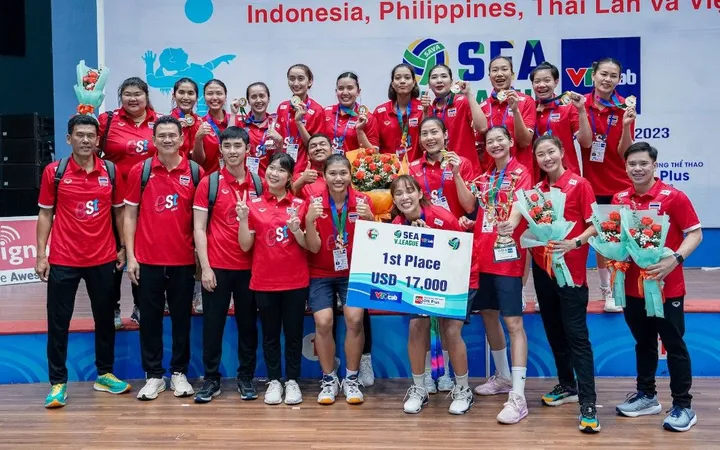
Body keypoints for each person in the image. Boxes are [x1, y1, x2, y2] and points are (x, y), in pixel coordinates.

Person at [500, 135, 600, 433]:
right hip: (544, 273)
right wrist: (508, 225)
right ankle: (567, 385)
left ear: (561, 153)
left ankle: (589, 405)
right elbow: (522, 218)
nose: (546, 158)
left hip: (571, 274)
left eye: (551, 152)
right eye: (540, 154)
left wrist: (576, 241)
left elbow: (595, 224)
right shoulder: (536, 192)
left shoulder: (579, 184)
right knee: (554, 331)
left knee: (576, 337)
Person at [36, 115, 131, 408]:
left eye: (91, 135)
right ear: (69, 138)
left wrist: (124, 247)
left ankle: (104, 374)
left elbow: (119, 213)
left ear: (98, 139)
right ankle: (57, 383)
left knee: (105, 319)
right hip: (63, 259)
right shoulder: (55, 172)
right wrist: (41, 254)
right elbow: (45, 215)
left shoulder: (111, 171)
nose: (86, 140)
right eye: (80, 135)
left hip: (103, 258)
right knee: (58, 321)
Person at [612, 142, 702, 432]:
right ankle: (647, 396)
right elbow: (616, 238)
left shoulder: (673, 197)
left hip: (667, 287)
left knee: (674, 346)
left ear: (654, 165)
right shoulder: (620, 198)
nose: (637, 169)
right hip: (632, 288)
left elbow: (695, 234)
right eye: (632, 164)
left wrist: (674, 260)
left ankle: (683, 406)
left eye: (643, 164)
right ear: (625, 167)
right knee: (644, 343)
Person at [124, 115, 204, 401]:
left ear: (182, 139)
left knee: (182, 318)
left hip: (183, 261)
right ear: (154, 139)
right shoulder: (141, 171)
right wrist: (131, 256)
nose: (168, 139)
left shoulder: (195, 171)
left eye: (173, 135)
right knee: (150, 320)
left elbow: (200, 221)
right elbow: (129, 215)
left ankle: (179, 372)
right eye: (162, 135)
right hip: (147, 260)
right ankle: (154, 375)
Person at [291, 133, 377, 386]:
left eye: (343, 173)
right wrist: (308, 220)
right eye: (333, 174)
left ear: (350, 175)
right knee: (323, 321)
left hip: (354, 272)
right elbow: (313, 247)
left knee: (355, 319)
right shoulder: (313, 203)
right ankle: (329, 378)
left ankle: (351, 378)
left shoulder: (363, 202)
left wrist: (370, 220)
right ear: (324, 176)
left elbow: (372, 245)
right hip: (321, 272)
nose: (338, 179)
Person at [389, 175, 474, 415]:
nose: (405, 197)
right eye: (399, 193)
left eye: (409, 191)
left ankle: (462, 389)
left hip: (459, 278)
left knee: (450, 330)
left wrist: (432, 240)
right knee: (416, 326)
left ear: (419, 193)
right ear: (394, 199)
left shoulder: (442, 216)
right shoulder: (397, 224)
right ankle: (419, 389)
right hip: (421, 284)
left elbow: (460, 252)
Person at [467, 126, 532, 424]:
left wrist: (511, 223)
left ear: (510, 142)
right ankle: (503, 376)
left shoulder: (522, 173)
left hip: (508, 258)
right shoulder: (485, 178)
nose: (494, 144)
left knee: (513, 322)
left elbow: (520, 205)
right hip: (483, 256)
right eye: (489, 141)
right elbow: (474, 209)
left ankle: (518, 397)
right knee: (488, 315)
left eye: (500, 140)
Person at [192, 127, 261, 403]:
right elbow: (198, 229)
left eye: (238, 146)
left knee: (248, 325)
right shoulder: (209, 184)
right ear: (220, 149)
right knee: (212, 325)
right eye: (227, 146)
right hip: (217, 268)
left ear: (247, 150)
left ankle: (246, 377)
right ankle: (211, 379)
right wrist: (205, 268)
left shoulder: (258, 183)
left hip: (250, 269)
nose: (233, 151)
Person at [408, 117, 476, 393]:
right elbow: (405, 205)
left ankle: (446, 372)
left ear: (446, 134)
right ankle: (424, 377)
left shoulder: (462, 164)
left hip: (455, 250)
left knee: (448, 321)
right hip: (422, 252)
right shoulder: (412, 167)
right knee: (420, 321)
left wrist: (457, 173)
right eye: (424, 133)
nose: (429, 137)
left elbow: (469, 205)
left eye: (434, 132)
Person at [236, 152, 310, 406]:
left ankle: (292, 381)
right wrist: (243, 219)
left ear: (290, 177)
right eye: (271, 168)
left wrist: (297, 230)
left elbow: (308, 244)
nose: (274, 173)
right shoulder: (254, 205)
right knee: (269, 334)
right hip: (264, 281)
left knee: (293, 333)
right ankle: (274, 380)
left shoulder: (301, 204)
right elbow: (246, 246)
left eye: (281, 170)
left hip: (295, 281)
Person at [98, 77, 160, 327]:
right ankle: (112, 308)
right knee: (115, 255)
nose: (133, 98)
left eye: (138, 94)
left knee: (143, 255)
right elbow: (88, 142)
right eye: (127, 94)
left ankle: (140, 305)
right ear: (120, 97)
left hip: (148, 200)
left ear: (147, 96)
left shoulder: (160, 121)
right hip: (113, 201)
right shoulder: (108, 120)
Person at [582, 58, 636, 313]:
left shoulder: (624, 107)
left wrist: (626, 126)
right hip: (592, 184)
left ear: (619, 79)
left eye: (613, 76)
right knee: (602, 241)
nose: (607, 79)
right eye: (603, 74)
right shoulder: (581, 105)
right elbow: (582, 143)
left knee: (620, 240)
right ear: (593, 75)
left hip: (620, 185)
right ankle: (606, 291)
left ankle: (621, 288)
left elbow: (624, 152)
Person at [529, 61, 592, 179]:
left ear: (556, 82)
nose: (541, 85)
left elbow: (586, 142)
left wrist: (581, 110)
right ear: (532, 84)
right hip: (537, 177)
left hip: (566, 175)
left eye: (547, 80)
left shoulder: (568, 108)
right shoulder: (529, 109)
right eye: (537, 82)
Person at [422, 63, 487, 174]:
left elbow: (482, 127)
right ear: (429, 84)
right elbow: (423, 143)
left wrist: (469, 94)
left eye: (444, 76)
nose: (439, 80)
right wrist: (424, 111)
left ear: (451, 82)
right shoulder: (429, 109)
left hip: (468, 170)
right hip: (441, 173)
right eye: (434, 77)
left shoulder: (462, 101)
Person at [479, 57, 536, 176]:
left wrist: (515, 110)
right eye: (495, 70)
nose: (499, 74)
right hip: (491, 175)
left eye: (504, 69)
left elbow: (525, 142)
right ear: (489, 76)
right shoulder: (482, 106)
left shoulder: (526, 101)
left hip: (521, 174)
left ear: (512, 74)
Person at [274, 64, 325, 172]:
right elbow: (278, 141)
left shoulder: (317, 110)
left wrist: (299, 123)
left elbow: (315, 147)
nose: (296, 83)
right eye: (292, 79)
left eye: (300, 79)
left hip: (305, 169)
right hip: (283, 168)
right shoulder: (282, 107)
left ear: (310, 81)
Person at [374, 63, 424, 161]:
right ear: (392, 84)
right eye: (397, 78)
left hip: (417, 170)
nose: (402, 81)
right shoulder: (380, 112)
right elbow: (374, 145)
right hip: (389, 170)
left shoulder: (423, 109)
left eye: (407, 77)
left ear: (414, 82)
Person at [234, 82, 284, 179]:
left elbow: (280, 160)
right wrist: (232, 114)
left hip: (269, 179)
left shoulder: (276, 125)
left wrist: (280, 142)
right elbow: (227, 141)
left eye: (262, 96)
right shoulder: (240, 122)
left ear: (268, 99)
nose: (258, 100)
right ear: (248, 101)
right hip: (244, 179)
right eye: (253, 97)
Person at [323, 72, 379, 154]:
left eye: (350, 88)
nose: (345, 92)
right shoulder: (325, 112)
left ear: (358, 92)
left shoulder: (368, 118)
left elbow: (374, 154)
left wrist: (359, 131)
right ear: (336, 91)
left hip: (353, 166)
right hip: (328, 165)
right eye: (341, 88)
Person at [193, 78, 230, 173]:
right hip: (210, 181)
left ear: (225, 96)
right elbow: (198, 162)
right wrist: (198, 139)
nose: (214, 97)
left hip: (234, 180)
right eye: (210, 93)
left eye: (219, 93)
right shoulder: (198, 124)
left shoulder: (235, 120)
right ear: (204, 97)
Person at [170, 77, 201, 158]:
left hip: (197, 169)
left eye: (190, 93)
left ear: (197, 98)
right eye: (181, 92)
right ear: (174, 96)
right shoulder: (166, 123)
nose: (186, 97)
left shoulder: (201, 122)